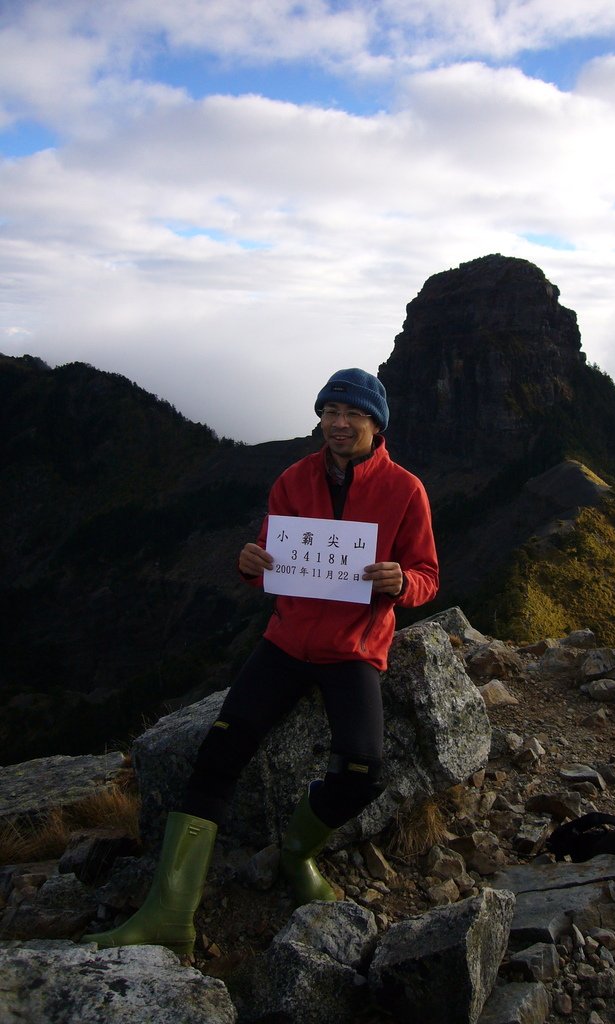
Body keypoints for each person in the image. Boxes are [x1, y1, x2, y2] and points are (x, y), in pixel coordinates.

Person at [84, 368, 439, 957]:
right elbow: (274, 562)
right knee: (219, 754)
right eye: (329, 412)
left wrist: (402, 582)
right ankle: (169, 911)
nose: (339, 424)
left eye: (351, 414)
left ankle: (296, 854)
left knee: (361, 770)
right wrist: (250, 564)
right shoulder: (292, 479)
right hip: (286, 640)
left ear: (376, 424)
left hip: (353, 648)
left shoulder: (406, 490)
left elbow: (427, 576)